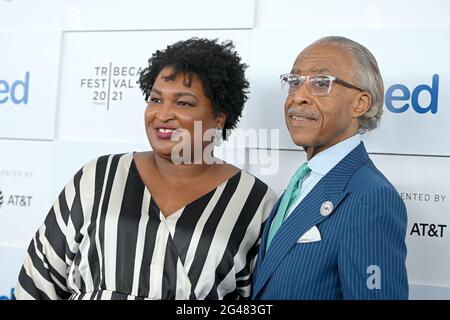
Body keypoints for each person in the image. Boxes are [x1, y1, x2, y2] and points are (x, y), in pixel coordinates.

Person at [15, 38, 277, 300]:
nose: (162, 115)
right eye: (155, 99)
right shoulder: (100, 176)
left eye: (183, 103)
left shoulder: (254, 202)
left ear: (219, 117)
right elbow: (39, 280)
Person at [252, 36, 409, 300]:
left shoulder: (370, 197)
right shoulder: (304, 180)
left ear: (360, 104)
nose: (298, 97)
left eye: (321, 83)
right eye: (294, 82)